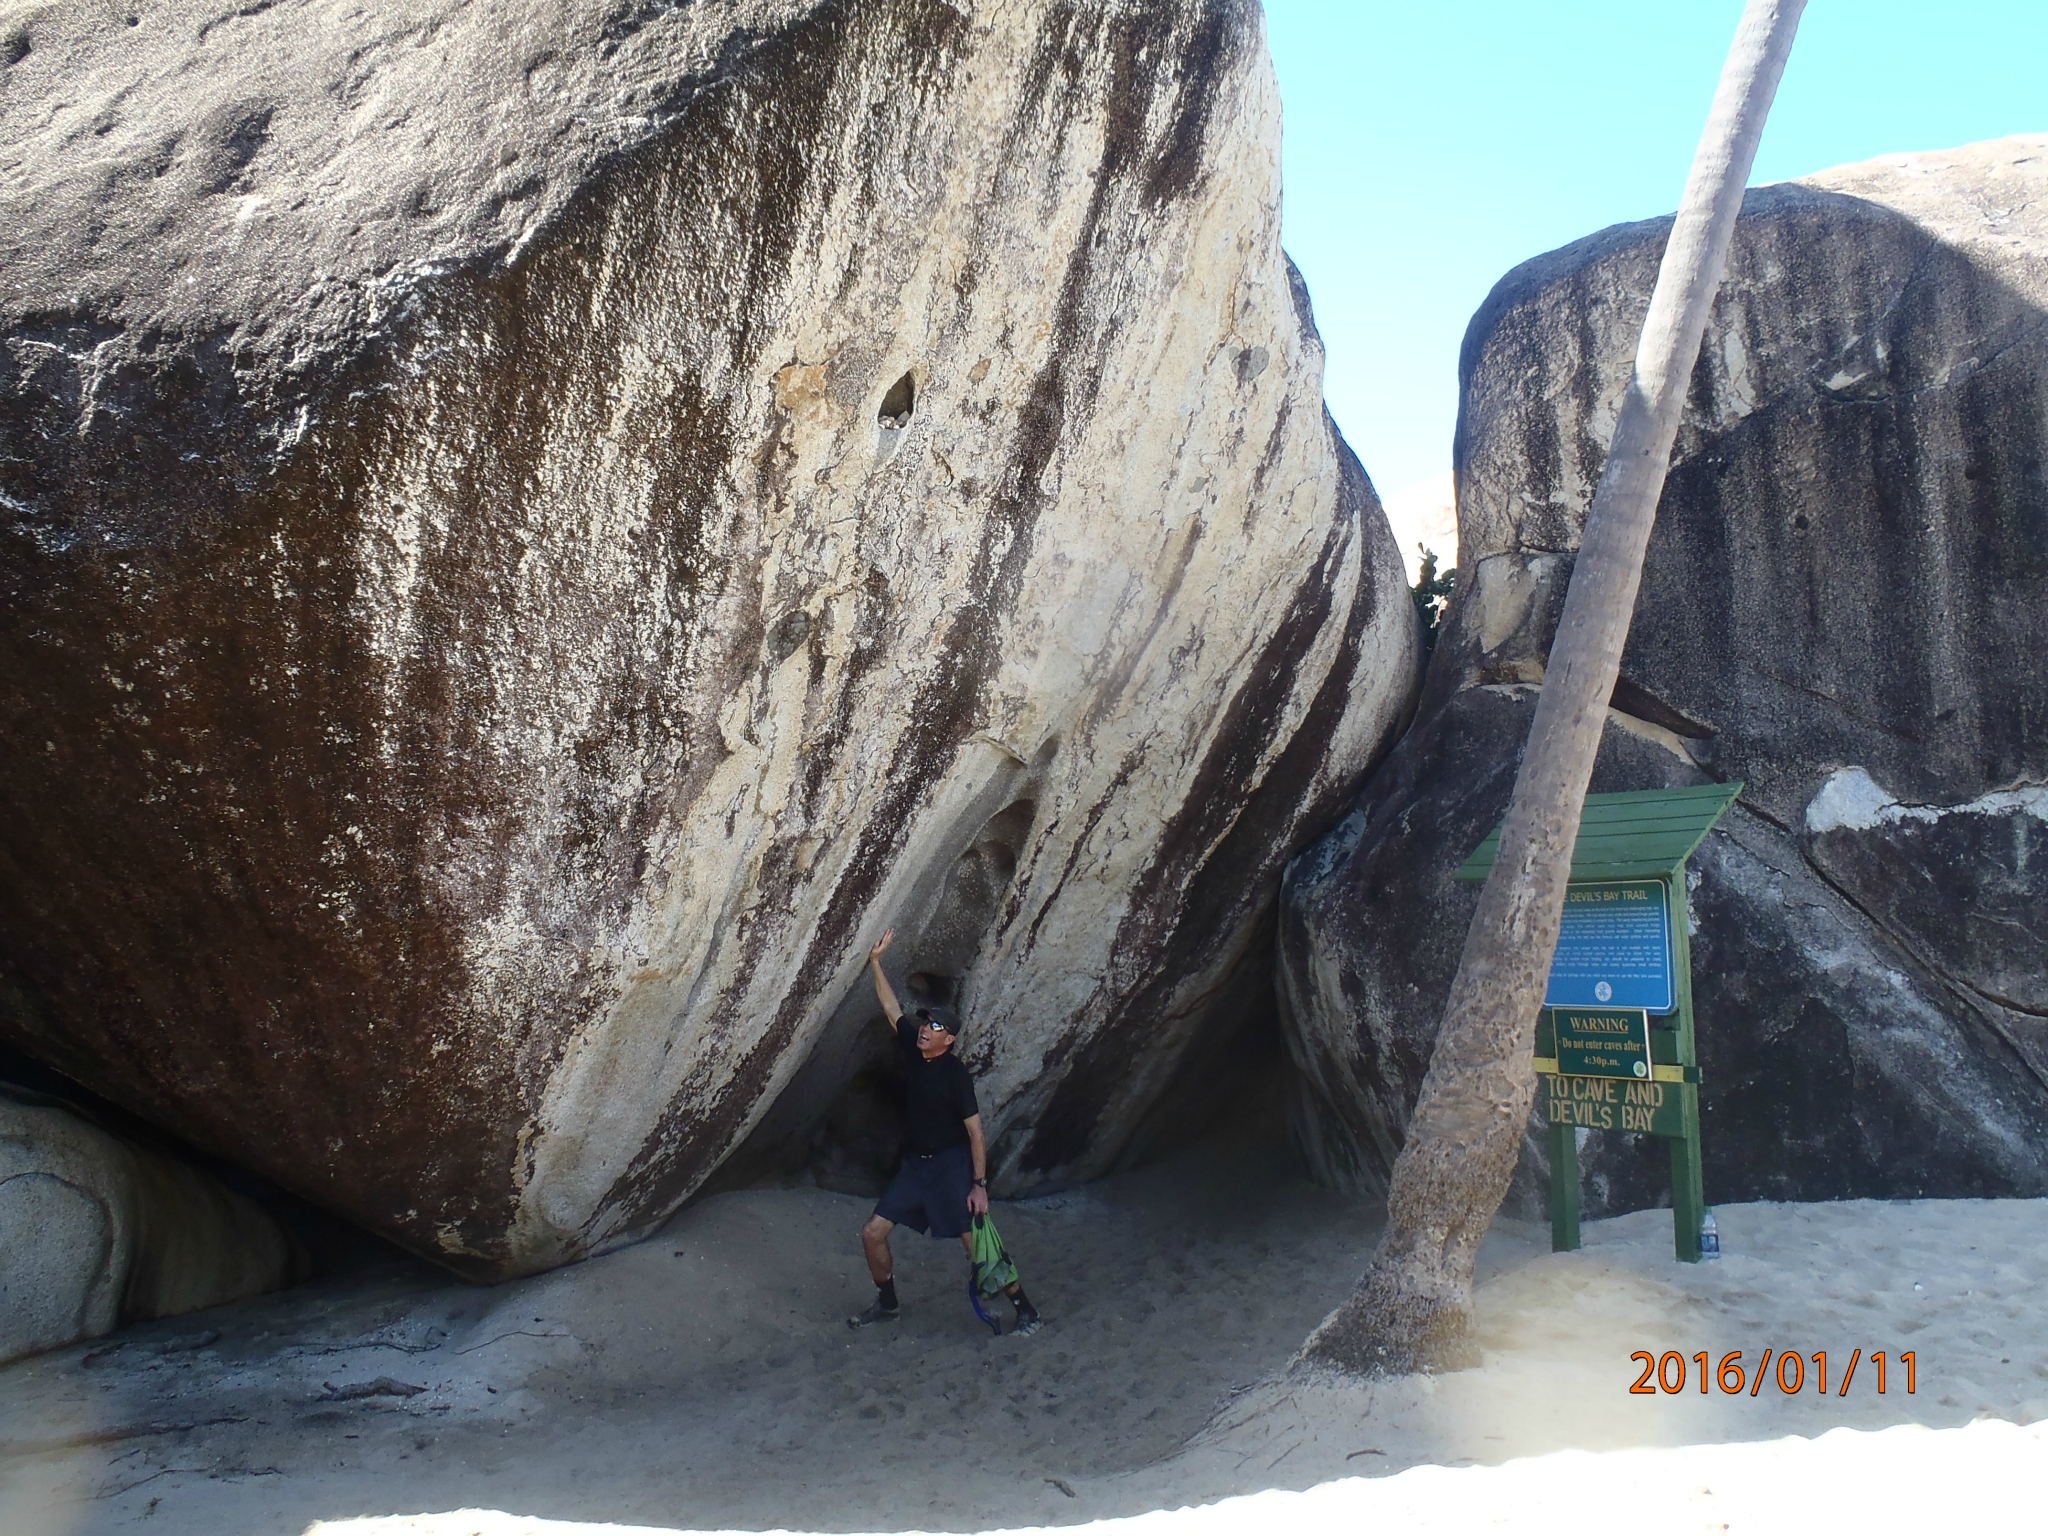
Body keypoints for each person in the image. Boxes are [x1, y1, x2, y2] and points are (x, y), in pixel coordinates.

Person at [847, 928, 1041, 1336]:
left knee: (976, 1245)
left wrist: (979, 1185)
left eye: (934, 1026)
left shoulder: (955, 1076)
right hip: (916, 1167)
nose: (924, 1028)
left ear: (948, 1040)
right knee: (872, 1233)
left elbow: (976, 1134)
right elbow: (890, 1008)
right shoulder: (914, 1054)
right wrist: (876, 963)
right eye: (925, 1023)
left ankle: (1024, 1309)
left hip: (951, 1168)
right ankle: (887, 1304)